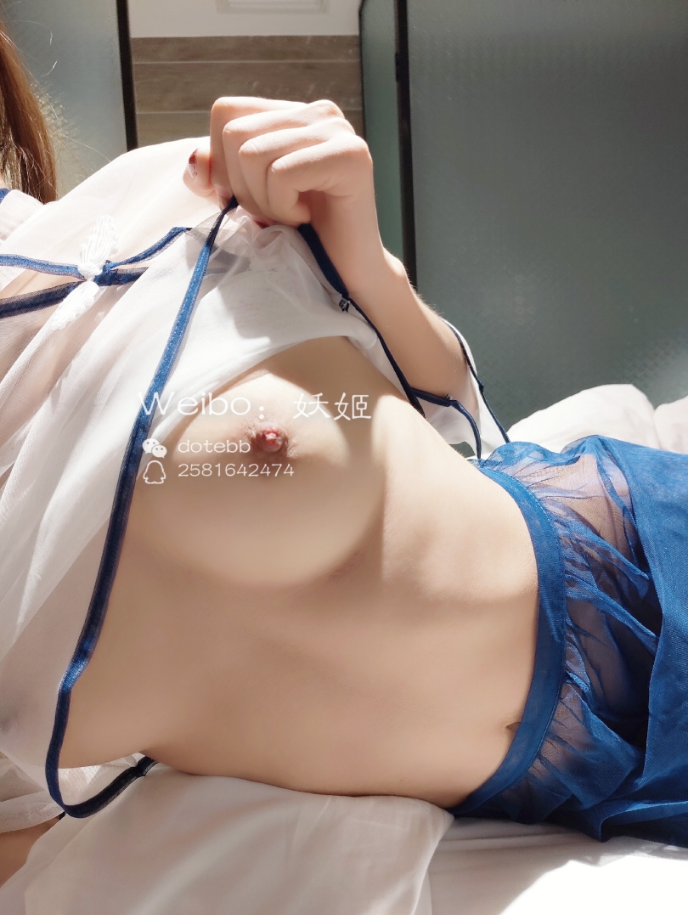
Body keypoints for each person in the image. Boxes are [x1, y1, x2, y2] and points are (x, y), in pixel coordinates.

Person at [1, 25, 688, 891]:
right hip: (554, 786)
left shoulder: (156, 212)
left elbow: (454, 422)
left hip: (637, 561)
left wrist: (367, 263)